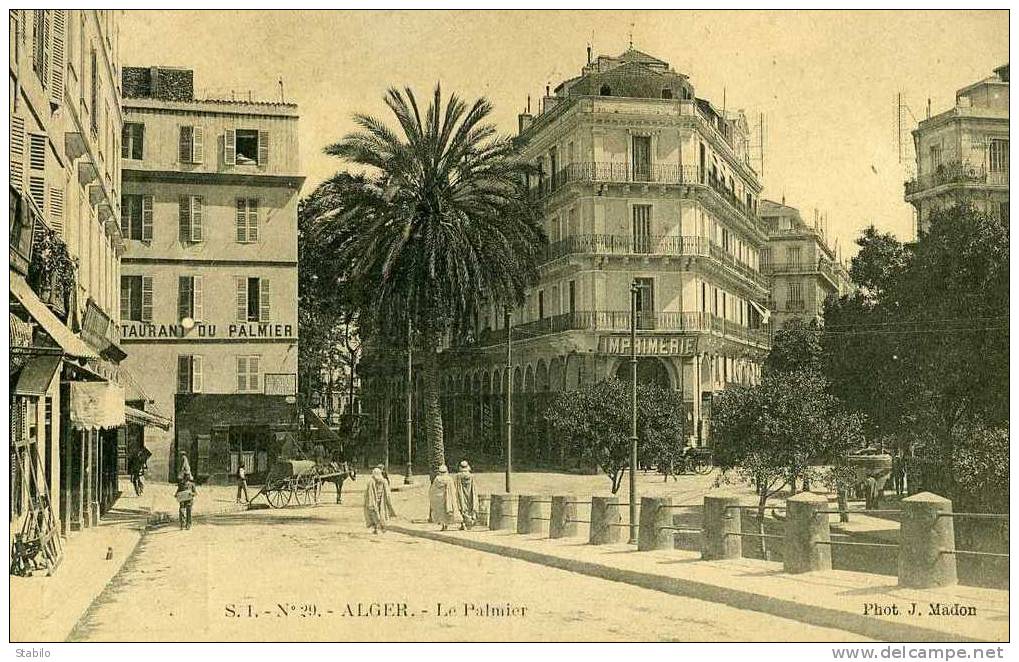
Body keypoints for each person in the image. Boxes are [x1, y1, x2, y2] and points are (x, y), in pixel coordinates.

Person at [363, 466, 396, 534]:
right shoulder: (383, 481)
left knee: (376, 514)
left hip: (375, 501)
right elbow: (388, 493)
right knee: (381, 513)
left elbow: (367, 493)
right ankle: (380, 527)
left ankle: (377, 527)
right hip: (380, 500)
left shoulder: (371, 481)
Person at [429, 464, 459, 531]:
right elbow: (453, 489)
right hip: (447, 497)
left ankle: (443, 525)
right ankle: (446, 524)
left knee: (441, 512)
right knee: (447, 510)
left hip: (440, 497)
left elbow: (433, 489)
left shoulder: (437, 479)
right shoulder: (449, 479)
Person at [453, 460, 479, 530]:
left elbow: (455, 486)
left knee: (462, 507)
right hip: (470, 494)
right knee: (470, 507)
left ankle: (463, 524)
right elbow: (474, 487)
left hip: (461, 494)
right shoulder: (471, 476)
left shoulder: (458, 476)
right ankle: (470, 522)